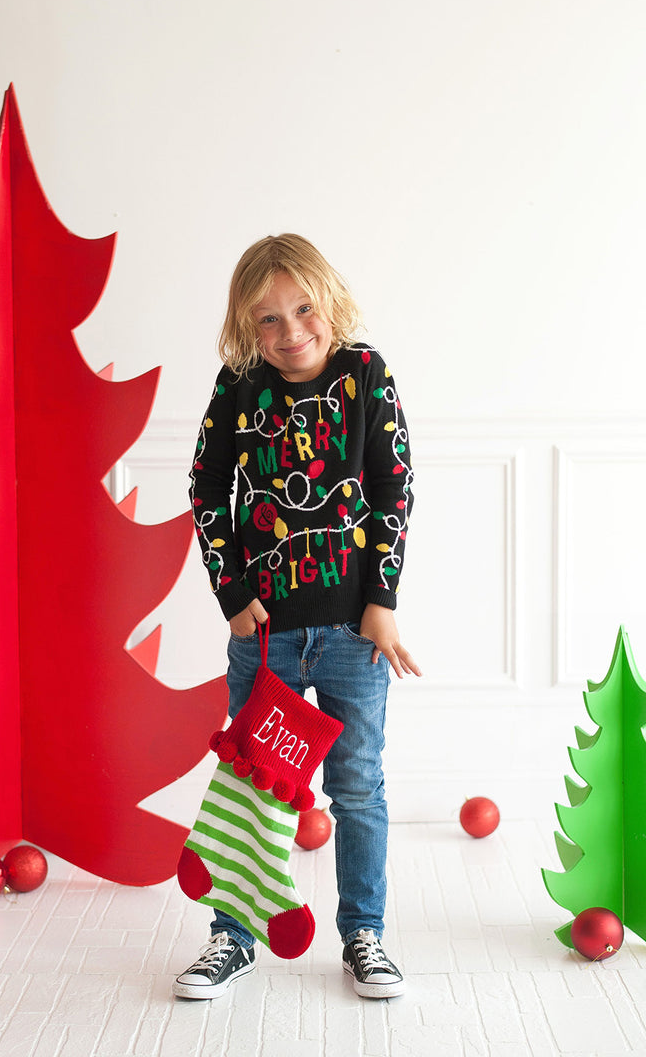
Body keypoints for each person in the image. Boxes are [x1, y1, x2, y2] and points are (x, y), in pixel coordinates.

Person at [173, 233, 420, 1001]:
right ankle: (232, 936)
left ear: (328, 299)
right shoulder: (241, 385)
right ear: (248, 326)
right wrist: (231, 592)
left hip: (352, 636)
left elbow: (393, 489)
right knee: (251, 786)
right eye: (268, 319)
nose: (290, 332)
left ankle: (364, 935)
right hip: (267, 637)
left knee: (357, 787)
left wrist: (381, 604)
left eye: (303, 310)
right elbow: (206, 486)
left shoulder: (365, 374)